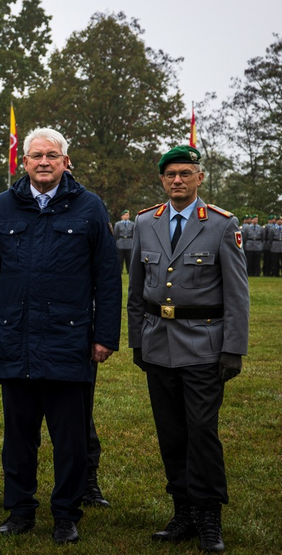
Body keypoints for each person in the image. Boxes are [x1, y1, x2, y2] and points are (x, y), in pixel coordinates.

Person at [0, 127, 121, 545]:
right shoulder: (4, 207)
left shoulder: (89, 208)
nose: (43, 162)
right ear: (25, 162)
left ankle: (66, 514)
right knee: (18, 437)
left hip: (69, 343)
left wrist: (105, 336)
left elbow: (108, 279)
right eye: (36, 156)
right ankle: (19, 510)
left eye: (52, 155)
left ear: (66, 162)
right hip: (16, 340)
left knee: (70, 440)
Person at [128, 145, 249, 553]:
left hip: (203, 346)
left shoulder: (220, 224)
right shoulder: (147, 222)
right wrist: (135, 342)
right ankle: (183, 512)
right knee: (171, 435)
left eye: (185, 173)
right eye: (170, 175)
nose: (177, 180)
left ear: (200, 177)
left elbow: (237, 294)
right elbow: (135, 291)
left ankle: (209, 516)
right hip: (157, 343)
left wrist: (233, 350)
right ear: (161, 180)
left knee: (202, 433)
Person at [113, 209, 135, 273]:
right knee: (120, 258)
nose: (126, 216)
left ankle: (129, 270)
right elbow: (116, 233)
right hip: (120, 243)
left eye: (127, 215)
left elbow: (134, 233)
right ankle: (120, 270)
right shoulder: (118, 224)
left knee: (129, 258)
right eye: (124, 215)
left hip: (129, 242)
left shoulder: (132, 224)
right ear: (122, 216)